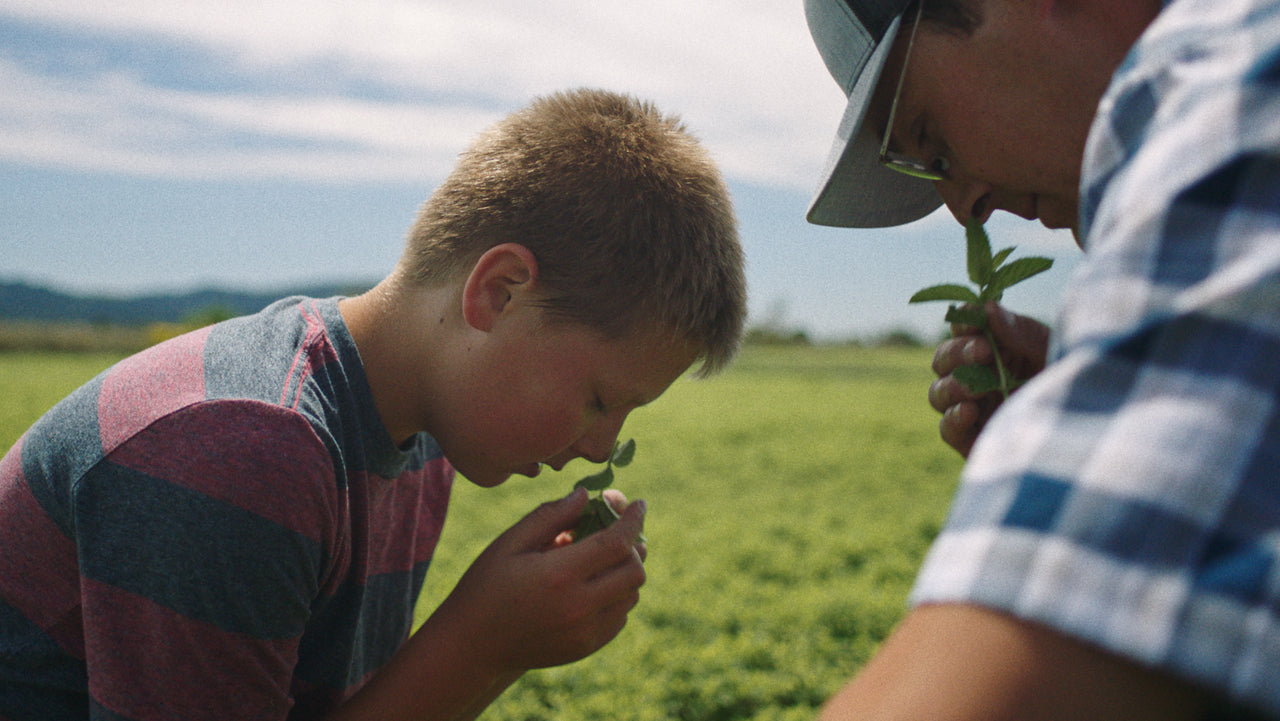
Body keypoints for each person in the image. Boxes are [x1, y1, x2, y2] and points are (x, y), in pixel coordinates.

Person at [0, 87, 746, 721]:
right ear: (500, 290)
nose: (598, 445)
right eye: (599, 399)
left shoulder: (418, 444)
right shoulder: (241, 445)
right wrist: (481, 648)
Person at [803, 0, 1280, 718]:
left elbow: (1018, 682)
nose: (965, 206)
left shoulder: (1232, 83)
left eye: (931, 140)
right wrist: (1111, 411)